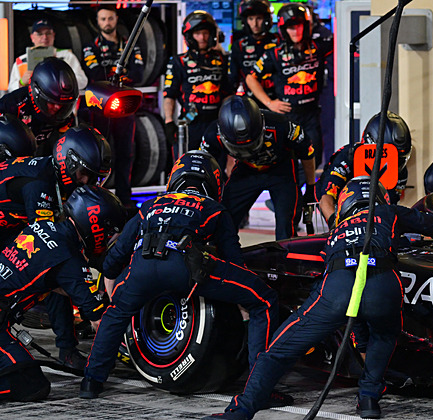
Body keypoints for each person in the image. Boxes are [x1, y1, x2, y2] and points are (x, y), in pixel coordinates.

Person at [201, 176, 433, 420]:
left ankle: (239, 414)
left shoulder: (337, 229)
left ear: (346, 203)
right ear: (380, 197)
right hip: (384, 284)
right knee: (384, 334)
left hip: (338, 285)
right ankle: (369, 398)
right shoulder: (388, 212)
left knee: (277, 351)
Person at [80, 151, 279, 399]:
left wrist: (114, 294)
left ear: (174, 180)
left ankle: (91, 383)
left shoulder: (149, 206)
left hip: (142, 268)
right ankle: (259, 388)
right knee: (263, 300)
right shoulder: (215, 208)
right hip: (184, 268)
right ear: (214, 183)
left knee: (116, 314)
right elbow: (234, 260)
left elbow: (116, 256)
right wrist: (242, 302)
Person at [0, 126, 112, 370]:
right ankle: (66, 349)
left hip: (8, 224)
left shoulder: (55, 176)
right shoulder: (40, 184)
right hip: (6, 226)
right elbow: (49, 248)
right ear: (68, 161)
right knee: (54, 261)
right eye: (85, 174)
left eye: (96, 178)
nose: (89, 183)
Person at [0, 185, 125, 402]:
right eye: (109, 232)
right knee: (31, 385)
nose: (108, 239)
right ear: (95, 224)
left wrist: (89, 295)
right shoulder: (68, 258)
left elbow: (53, 281)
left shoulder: (42, 226)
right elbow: (100, 322)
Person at [200, 95, 316, 238]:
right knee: (225, 217)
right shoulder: (213, 134)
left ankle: (286, 257)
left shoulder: (284, 126)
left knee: (286, 223)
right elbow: (203, 163)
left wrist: (311, 187)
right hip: (245, 170)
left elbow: (307, 154)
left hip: (281, 170)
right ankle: (226, 256)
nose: (246, 151)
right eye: (240, 148)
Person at [246, 3, 333, 167]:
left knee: (314, 158)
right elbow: (251, 78)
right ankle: (295, 191)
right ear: (283, 29)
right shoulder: (275, 53)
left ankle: (307, 191)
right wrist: (269, 103)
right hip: (287, 115)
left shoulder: (318, 46)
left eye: (299, 26)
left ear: (306, 26)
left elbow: (342, 43)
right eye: (291, 27)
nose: (296, 31)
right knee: (288, 161)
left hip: (311, 114)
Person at [81, 4, 145, 208]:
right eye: (103, 19)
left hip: (124, 109)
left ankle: (125, 200)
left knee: (126, 154)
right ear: (97, 22)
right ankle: (97, 197)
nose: (107, 23)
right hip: (100, 110)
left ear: (116, 19)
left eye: (110, 18)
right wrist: (119, 78)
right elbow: (96, 76)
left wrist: (114, 78)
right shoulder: (91, 47)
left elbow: (138, 74)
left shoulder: (130, 45)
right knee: (99, 154)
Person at [315, 111, 413, 224]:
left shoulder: (400, 170)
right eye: (389, 158)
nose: (396, 164)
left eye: (399, 159)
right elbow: (325, 200)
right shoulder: (347, 158)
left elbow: (391, 205)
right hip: (340, 212)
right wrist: (336, 226)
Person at [163, 11, 231, 157]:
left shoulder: (223, 59)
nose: (202, 38)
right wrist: (169, 122)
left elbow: (228, 92)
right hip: (190, 123)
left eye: (206, 33)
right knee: (185, 168)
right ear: (189, 35)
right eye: (198, 33)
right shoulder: (177, 62)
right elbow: (169, 95)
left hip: (217, 124)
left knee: (216, 170)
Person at [0, 57, 79, 155]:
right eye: (52, 102)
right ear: (37, 94)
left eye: (63, 104)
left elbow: (69, 147)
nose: (58, 107)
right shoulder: (9, 106)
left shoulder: (65, 114)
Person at [7, 18, 87, 92]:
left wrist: (63, 79)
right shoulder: (21, 60)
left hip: (60, 104)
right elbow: (10, 89)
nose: (45, 37)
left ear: (53, 35)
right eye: (39, 34)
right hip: (32, 105)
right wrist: (21, 82)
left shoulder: (66, 56)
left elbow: (83, 82)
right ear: (32, 37)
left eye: (48, 33)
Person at [230, 0, 278, 98]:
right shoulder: (239, 45)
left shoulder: (278, 41)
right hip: (250, 99)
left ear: (267, 19)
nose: (255, 24)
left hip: (276, 98)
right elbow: (233, 79)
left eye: (259, 18)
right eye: (251, 19)